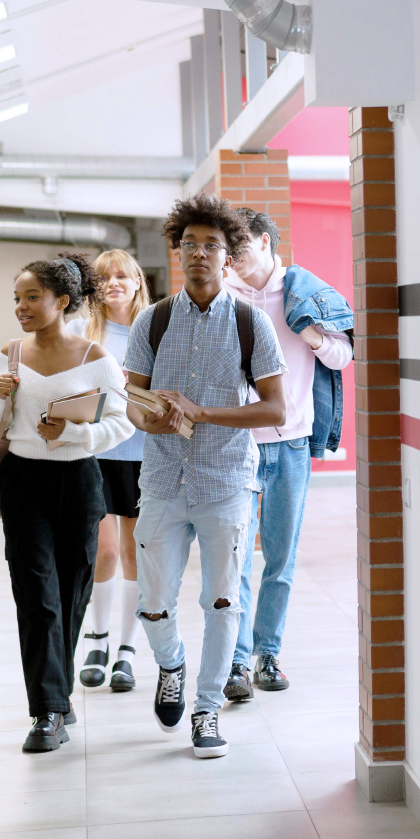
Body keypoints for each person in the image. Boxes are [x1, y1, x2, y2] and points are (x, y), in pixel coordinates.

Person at [122, 194, 286, 759]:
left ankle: (208, 707)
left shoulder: (251, 322)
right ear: (178, 251)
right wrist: (157, 422)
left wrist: (202, 412)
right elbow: (132, 404)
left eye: (210, 245)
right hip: (162, 480)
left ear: (229, 255)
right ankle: (171, 664)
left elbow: (275, 410)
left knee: (222, 602)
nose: (198, 253)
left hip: (226, 484)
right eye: (189, 244)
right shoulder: (154, 319)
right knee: (152, 601)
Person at [0, 254, 133, 753]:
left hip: (79, 483)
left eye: (31, 298)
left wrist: (74, 433)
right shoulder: (10, 354)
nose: (21, 307)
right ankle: (46, 711)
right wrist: (2, 396)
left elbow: (124, 423)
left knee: (71, 592)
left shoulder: (95, 359)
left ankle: (57, 693)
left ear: (62, 301)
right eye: (17, 299)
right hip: (22, 481)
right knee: (36, 595)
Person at [221, 207, 353, 700]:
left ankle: (266, 654)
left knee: (281, 557)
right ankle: (234, 661)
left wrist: (309, 332)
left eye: (236, 244)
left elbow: (342, 356)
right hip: (235, 445)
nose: (229, 256)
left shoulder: (303, 290)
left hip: (292, 441)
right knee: (235, 556)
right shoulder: (221, 297)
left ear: (262, 240)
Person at [66, 249, 149, 692]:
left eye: (122, 275)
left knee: (136, 554)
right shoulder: (80, 331)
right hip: (96, 455)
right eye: (104, 277)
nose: (114, 282)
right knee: (104, 552)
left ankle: (128, 651)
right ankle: (96, 641)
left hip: (143, 457)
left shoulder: (154, 329)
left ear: (137, 281)